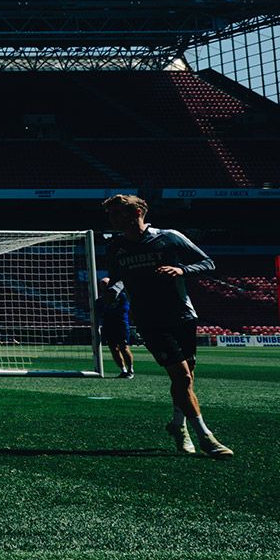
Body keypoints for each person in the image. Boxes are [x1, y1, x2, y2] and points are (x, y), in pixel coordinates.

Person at [100, 194, 231, 457]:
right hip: (149, 320)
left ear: (137, 211)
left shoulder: (168, 236)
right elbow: (119, 277)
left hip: (182, 315)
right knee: (181, 377)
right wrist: (112, 289)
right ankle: (206, 437)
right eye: (111, 216)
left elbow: (208, 262)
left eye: (118, 214)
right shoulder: (116, 247)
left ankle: (177, 426)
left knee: (186, 379)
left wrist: (181, 270)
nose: (113, 221)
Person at [96, 277, 136, 380]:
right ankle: (123, 370)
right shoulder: (101, 300)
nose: (103, 287)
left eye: (105, 284)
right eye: (102, 285)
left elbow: (124, 310)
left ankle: (131, 369)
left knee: (124, 347)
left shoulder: (122, 296)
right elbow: (99, 312)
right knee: (113, 348)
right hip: (108, 325)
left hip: (121, 324)